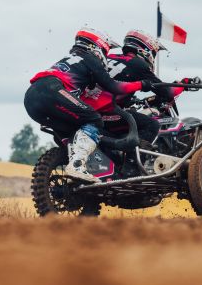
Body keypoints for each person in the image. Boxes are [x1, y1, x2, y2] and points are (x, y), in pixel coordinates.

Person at [24, 28, 155, 183]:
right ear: (98, 47)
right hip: (52, 90)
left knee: (73, 125)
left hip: (31, 98)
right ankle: (77, 165)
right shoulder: (89, 57)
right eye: (105, 51)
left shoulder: (73, 57)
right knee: (94, 119)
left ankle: (77, 163)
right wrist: (141, 84)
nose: (105, 55)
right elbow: (113, 86)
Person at [82, 29, 200, 145]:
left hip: (86, 108)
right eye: (154, 53)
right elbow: (167, 92)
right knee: (152, 125)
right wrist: (183, 84)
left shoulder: (109, 57)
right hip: (104, 114)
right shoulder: (138, 64)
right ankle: (133, 157)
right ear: (145, 50)